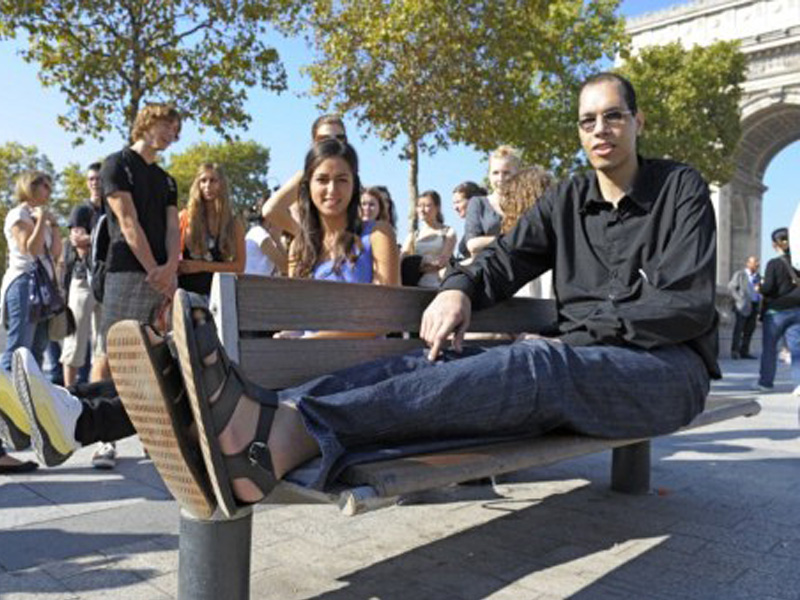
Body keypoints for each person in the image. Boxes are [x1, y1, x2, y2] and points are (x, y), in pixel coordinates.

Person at [89, 71, 716, 521]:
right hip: (579, 363)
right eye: (587, 120)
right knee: (439, 361)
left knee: (535, 362)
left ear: (638, 122)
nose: (600, 130)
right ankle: (263, 421)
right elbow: (504, 260)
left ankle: (282, 434)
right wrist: (459, 288)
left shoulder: (678, 189)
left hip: (665, 370)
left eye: (613, 116)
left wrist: (575, 335)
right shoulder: (568, 199)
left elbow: (684, 306)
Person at [0, 139, 399, 475]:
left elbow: (383, 317)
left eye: (342, 179)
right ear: (307, 185)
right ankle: (59, 408)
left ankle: (67, 416)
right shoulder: (302, 247)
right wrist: (291, 336)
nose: (332, 189)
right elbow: (297, 313)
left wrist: (308, 341)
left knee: (190, 374)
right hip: (297, 360)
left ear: (356, 184)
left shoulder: (375, 234)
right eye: (322, 179)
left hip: (347, 367)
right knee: (179, 369)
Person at [90, 103, 181, 469]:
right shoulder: (116, 164)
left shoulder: (167, 180)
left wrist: (170, 268)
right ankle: (102, 439)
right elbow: (127, 222)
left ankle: (147, 435)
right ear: (147, 122)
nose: (171, 133)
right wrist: (154, 270)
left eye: (175, 128)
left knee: (150, 358)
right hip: (127, 271)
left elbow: (173, 228)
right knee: (110, 355)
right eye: (166, 124)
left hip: (161, 275)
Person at [0, 171, 61, 474]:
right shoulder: (19, 214)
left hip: (43, 291)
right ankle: (6, 421)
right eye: (44, 185)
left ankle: (24, 423)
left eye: (50, 185)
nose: (49, 190)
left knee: (34, 357)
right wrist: (41, 221)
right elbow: (30, 250)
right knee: (15, 354)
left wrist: (53, 226)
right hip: (24, 285)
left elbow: (55, 254)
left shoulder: (40, 217)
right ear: (30, 186)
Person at [61, 163, 105, 386]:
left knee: (103, 346)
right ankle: (67, 393)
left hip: (106, 282)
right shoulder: (81, 210)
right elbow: (78, 242)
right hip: (82, 280)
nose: (95, 182)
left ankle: (96, 393)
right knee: (75, 343)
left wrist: (91, 239)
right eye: (91, 179)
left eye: (99, 178)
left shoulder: (112, 210)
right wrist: (102, 238)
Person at [177, 163, 246, 297]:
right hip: (186, 294)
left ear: (222, 184)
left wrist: (201, 266)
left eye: (213, 180)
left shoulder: (233, 223)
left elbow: (239, 267)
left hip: (219, 295)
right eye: (203, 180)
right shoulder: (184, 217)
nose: (207, 185)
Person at [755, 228, 800, 394]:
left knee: (770, 348)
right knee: (797, 349)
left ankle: (766, 383)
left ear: (776, 245)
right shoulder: (798, 264)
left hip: (777, 312)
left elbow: (768, 288)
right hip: (797, 310)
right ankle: (799, 384)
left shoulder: (773, 264)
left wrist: (760, 287)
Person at [463, 146, 521, 257]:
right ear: (489, 175)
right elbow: (472, 245)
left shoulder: (526, 204)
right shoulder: (478, 203)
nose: (500, 178)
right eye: (495, 173)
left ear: (517, 175)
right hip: (487, 265)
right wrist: (510, 240)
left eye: (506, 173)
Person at [401, 191, 456, 289]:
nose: (422, 210)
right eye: (419, 206)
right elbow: (402, 259)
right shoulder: (413, 235)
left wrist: (419, 265)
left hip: (439, 284)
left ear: (437, 208)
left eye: (427, 206)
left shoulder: (448, 232)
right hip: (416, 285)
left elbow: (442, 262)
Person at [727, 256, 761, 359]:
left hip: (754, 305)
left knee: (749, 330)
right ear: (748, 263)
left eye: (757, 263)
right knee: (739, 329)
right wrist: (739, 299)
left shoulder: (758, 277)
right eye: (755, 262)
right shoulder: (740, 274)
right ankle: (735, 351)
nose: (757, 265)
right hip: (742, 306)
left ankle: (744, 352)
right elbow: (731, 287)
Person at [244, 196, 287, 277]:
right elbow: (285, 267)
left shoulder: (260, 233)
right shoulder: (259, 234)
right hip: (251, 283)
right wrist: (277, 240)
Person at [451, 181, 487, 259]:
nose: (455, 208)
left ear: (473, 201)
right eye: (454, 203)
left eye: (458, 202)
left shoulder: (485, 224)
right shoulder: (470, 226)